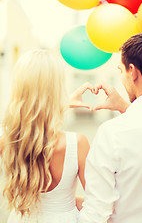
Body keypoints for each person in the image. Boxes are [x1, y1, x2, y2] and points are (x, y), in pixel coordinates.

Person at [79, 32, 142, 223]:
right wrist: (125, 107)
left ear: (133, 71)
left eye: (121, 71)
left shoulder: (112, 133)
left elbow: (96, 214)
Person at [0, 49, 90, 223]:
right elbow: (98, 204)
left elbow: (33, 127)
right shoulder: (77, 143)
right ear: (58, 90)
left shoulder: (7, 138)